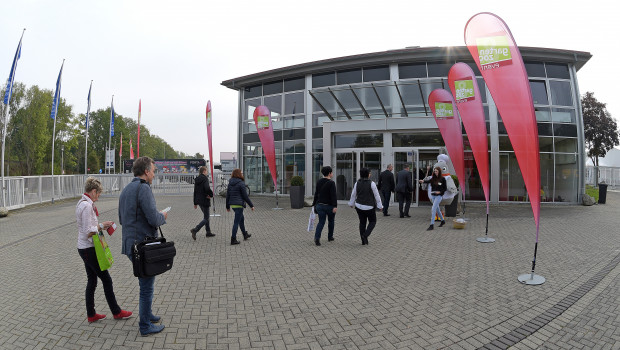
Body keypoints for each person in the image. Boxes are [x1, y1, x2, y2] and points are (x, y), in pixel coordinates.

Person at [118, 156, 168, 336]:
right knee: (146, 287)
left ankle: (147, 314)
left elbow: (122, 219)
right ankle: (145, 326)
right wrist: (163, 216)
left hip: (130, 244)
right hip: (143, 246)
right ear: (146, 171)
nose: (154, 174)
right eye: (153, 171)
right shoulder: (144, 189)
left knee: (145, 283)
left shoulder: (126, 190)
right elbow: (154, 219)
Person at [76, 177, 132, 323]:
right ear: (93, 191)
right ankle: (116, 311)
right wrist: (102, 225)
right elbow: (89, 231)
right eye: (98, 193)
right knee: (106, 279)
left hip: (83, 247)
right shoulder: (87, 206)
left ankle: (91, 314)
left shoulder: (82, 203)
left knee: (92, 281)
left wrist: (101, 225)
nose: (99, 196)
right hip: (89, 248)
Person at [348, 168, 383, 245]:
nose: (370, 174)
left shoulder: (357, 183)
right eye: (369, 173)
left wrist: (351, 203)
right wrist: (380, 206)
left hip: (359, 206)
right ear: (368, 174)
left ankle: (363, 240)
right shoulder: (372, 183)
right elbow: (377, 195)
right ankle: (365, 235)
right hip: (369, 206)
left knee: (362, 223)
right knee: (373, 221)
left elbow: (353, 194)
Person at [225, 168, 254, 245]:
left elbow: (228, 195)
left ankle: (245, 234)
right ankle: (233, 239)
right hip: (239, 204)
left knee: (241, 219)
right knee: (236, 222)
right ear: (238, 174)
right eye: (241, 172)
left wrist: (227, 206)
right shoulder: (241, 183)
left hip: (233, 205)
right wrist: (251, 205)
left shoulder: (230, 183)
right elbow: (245, 196)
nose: (242, 174)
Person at [311, 166, 338, 246]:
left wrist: (314, 204)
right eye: (332, 172)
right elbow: (333, 196)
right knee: (331, 221)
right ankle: (330, 237)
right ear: (329, 173)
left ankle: (317, 237)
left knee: (321, 222)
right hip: (329, 206)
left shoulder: (319, 182)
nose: (332, 173)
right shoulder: (331, 183)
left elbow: (316, 194)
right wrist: (335, 206)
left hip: (319, 205)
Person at [190, 166, 215, 240]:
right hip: (205, 199)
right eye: (206, 171)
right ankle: (195, 230)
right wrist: (211, 195)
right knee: (206, 218)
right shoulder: (205, 179)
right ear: (204, 171)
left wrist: (195, 203)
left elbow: (195, 191)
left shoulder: (197, 179)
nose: (207, 172)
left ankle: (208, 232)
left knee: (206, 216)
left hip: (199, 201)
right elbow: (207, 188)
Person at [419, 166, 447, 230]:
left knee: (433, 208)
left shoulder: (443, 179)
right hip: (433, 195)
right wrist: (422, 181)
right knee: (437, 210)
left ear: (439, 172)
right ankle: (443, 221)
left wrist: (439, 192)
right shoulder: (433, 178)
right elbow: (428, 181)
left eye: (436, 171)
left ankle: (432, 225)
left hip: (439, 196)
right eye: (434, 171)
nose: (435, 172)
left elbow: (445, 188)